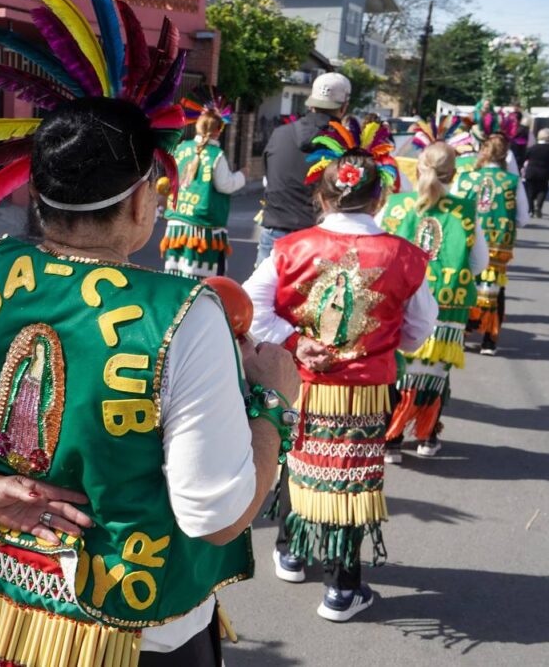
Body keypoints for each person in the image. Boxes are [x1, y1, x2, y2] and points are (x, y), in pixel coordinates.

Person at [0, 0, 300, 664]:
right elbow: (217, 515)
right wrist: (270, 402)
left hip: (0, 603)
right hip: (129, 631)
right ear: (143, 197)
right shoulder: (184, 314)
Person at [245, 126, 436, 622]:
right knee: (351, 485)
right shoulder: (405, 255)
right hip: (367, 391)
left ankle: (291, 549)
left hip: (301, 384)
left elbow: (248, 305)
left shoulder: (290, 248)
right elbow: (418, 329)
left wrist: (294, 341)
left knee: (297, 461)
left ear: (321, 194)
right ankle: (342, 588)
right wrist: (382, 344)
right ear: (380, 200)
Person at [380, 143, 489, 461]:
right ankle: (426, 437)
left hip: (398, 306)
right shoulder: (466, 210)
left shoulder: (396, 205)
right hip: (446, 308)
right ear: (454, 174)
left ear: (417, 168)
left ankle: (392, 439)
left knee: (400, 373)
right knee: (433, 374)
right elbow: (479, 263)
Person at [257, 72, 352, 267]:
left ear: (311, 103)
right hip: (318, 239)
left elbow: (268, 177)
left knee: (260, 297)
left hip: (274, 233)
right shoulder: (344, 145)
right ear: (344, 107)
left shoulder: (279, 134)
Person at [454, 134, 530, 355]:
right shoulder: (512, 182)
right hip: (496, 246)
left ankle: (462, 333)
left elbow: (452, 207)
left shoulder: (466, 178)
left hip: (468, 242)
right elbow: (523, 218)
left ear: (483, 151)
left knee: (466, 285)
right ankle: (489, 340)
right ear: (505, 155)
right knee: (495, 289)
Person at [161, 87, 248, 278]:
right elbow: (225, 185)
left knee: (175, 274)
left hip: (178, 219)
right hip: (202, 225)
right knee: (199, 278)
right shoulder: (216, 154)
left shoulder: (182, 147)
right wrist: (242, 175)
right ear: (218, 130)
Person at [523, 128, 549, 218]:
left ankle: (530, 210)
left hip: (531, 172)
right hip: (544, 172)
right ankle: (538, 207)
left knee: (530, 192)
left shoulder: (532, 148)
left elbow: (525, 156)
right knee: (543, 190)